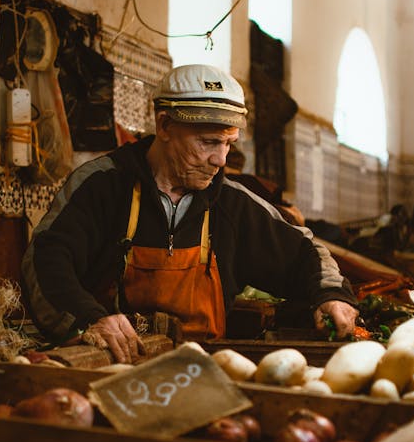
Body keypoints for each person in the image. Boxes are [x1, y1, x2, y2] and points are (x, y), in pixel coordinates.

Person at [21, 64, 358, 363]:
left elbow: (305, 252)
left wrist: (331, 296)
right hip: (108, 366)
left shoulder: (232, 203)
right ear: (164, 125)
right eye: (209, 142)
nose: (221, 159)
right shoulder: (103, 186)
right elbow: (45, 259)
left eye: (229, 144)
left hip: (202, 370)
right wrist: (87, 319)